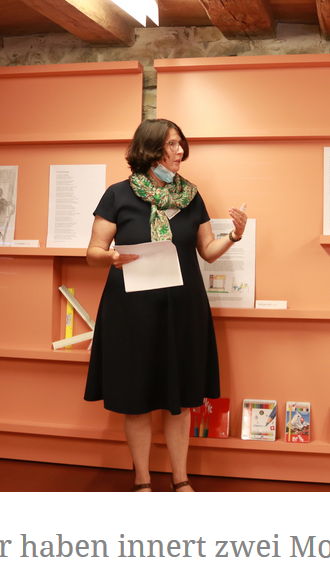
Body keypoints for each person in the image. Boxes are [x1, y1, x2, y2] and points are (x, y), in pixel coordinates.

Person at [84, 119, 247, 492]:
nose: (179, 151)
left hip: (183, 311)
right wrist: (109, 257)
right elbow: (93, 252)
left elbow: (208, 251)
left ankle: (180, 479)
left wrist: (234, 235)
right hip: (131, 312)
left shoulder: (191, 196)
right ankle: (142, 481)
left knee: (181, 399)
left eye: (180, 144)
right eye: (172, 144)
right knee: (136, 399)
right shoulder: (118, 195)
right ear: (150, 149)